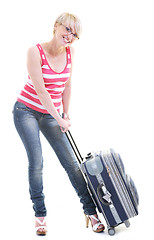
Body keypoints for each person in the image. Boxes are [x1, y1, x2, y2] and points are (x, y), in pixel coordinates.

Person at [13, 12, 105, 235]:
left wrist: (66, 114)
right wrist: (59, 118)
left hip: (53, 114)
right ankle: (40, 216)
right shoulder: (35, 52)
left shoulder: (71, 53)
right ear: (56, 26)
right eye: (68, 30)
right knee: (37, 163)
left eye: (75, 34)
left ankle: (91, 212)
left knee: (72, 164)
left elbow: (67, 85)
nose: (70, 36)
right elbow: (42, 91)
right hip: (26, 111)